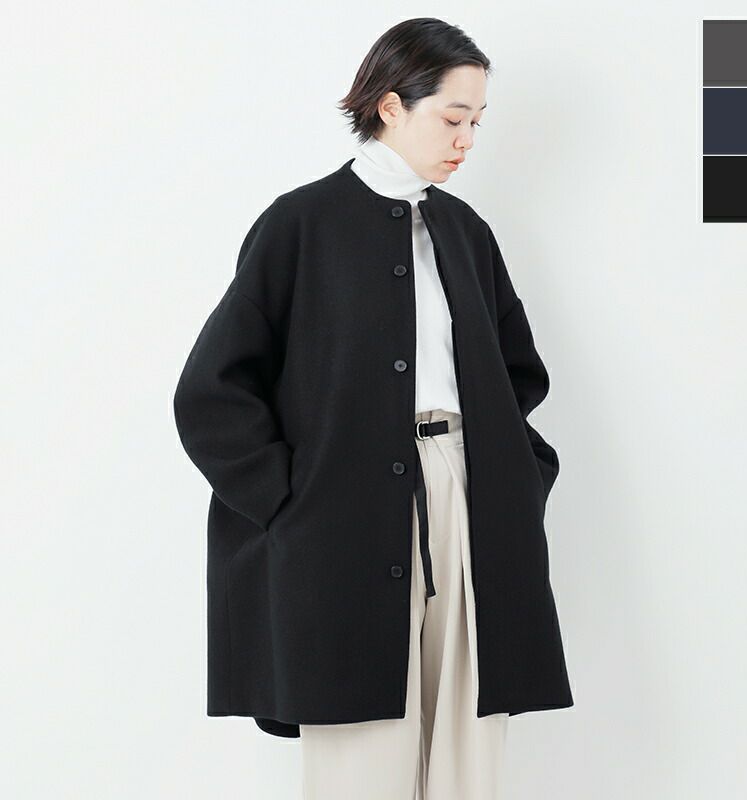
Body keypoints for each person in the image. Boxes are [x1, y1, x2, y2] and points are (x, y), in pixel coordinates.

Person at [173, 17, 573, 800]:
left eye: (477, 123)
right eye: (452, 119)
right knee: (361, 754)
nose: (466, 141)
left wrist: (520, 481)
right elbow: (212, 389)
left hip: (467, 496)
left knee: (468, 751)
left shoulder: (465, 232)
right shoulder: (300, 223)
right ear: (391, 105)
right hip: (340, 512)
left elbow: (516, 377)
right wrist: (289, 502)